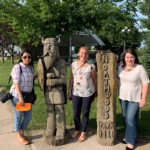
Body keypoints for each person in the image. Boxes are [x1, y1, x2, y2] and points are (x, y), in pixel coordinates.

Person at [37, 38, 69, 145]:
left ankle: (61, 130)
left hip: (58, 91)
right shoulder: (42, 63)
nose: (48, 50)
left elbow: (64, 80)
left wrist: (52, 81)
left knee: (60, 109)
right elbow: (41, 78)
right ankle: (50, 128)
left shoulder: (61, 63)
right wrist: (45, 79)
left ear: (56, 48)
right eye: (46, 46)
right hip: (49, 93)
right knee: (50, 111)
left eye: (51, 47)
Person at [117, 48, 149, 150]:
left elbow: (146, 83)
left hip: (135, 98)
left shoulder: (139, 68)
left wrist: (143, 98)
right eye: (127, 57)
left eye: (131, 57)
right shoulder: (120, 67)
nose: (129, 59)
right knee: (125, 117)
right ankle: (128, 136)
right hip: (122, 97)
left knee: (130, 118)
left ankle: (131, 141)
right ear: (124, 58)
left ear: (135, 58)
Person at [68, 46, 97, 142]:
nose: (83, 55)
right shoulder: (73, 64)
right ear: (78, 53)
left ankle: (83, 132)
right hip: (76, 92)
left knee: (85, 112)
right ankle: (77, 129)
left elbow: (94, 80)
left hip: (88, 93)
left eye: (85, 53)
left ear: (87, 55)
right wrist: (69, 90)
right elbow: (72, 78)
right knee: (76, 112)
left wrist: (96, 92)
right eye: (82, 53)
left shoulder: (91, 66)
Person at [10, 50, 35, 145]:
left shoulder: (31, 68)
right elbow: (16, 83)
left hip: (28, 97)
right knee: (18, 116)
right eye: (25, 57)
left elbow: (30, 79)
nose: (27, 59)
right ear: (21, 57)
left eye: (29, 57)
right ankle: (19, 136)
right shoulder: (18, 67)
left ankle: (21, 132)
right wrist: (20, 97)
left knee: (28, 116)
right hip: (18, 96)